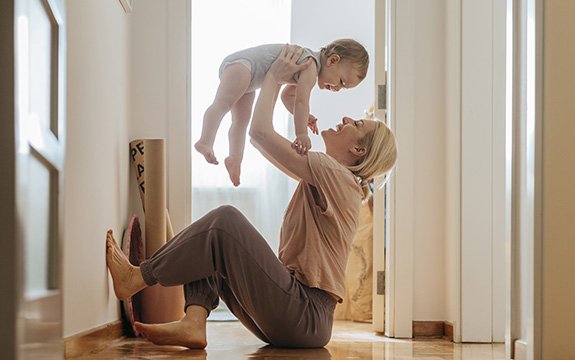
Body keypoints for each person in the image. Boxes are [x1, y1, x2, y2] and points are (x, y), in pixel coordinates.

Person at [106, 45, 397, 349]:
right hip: (301, 318)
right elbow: (264, 138)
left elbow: (259, 134)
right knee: (210, 244)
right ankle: (193, 322)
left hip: (304, 314)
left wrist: (272, 77)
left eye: (357, 124)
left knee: (224, 222)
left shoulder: (334, 174)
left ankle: (137, 277)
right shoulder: (332, 179)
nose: (348, 118)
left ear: (358, 151)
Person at [194, 39, 369, 186]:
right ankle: (205, 141)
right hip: (242, 66)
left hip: (251, 78)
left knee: (241, 121)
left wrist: (304, 117)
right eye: (341, 82)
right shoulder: (310, 65)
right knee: (222, 104)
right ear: (332, 60)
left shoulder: (306, 67)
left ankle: (234, 158)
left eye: (343, 88)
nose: (338, 89)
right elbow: (301, 101)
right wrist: (301, 133)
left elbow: (288, 96)